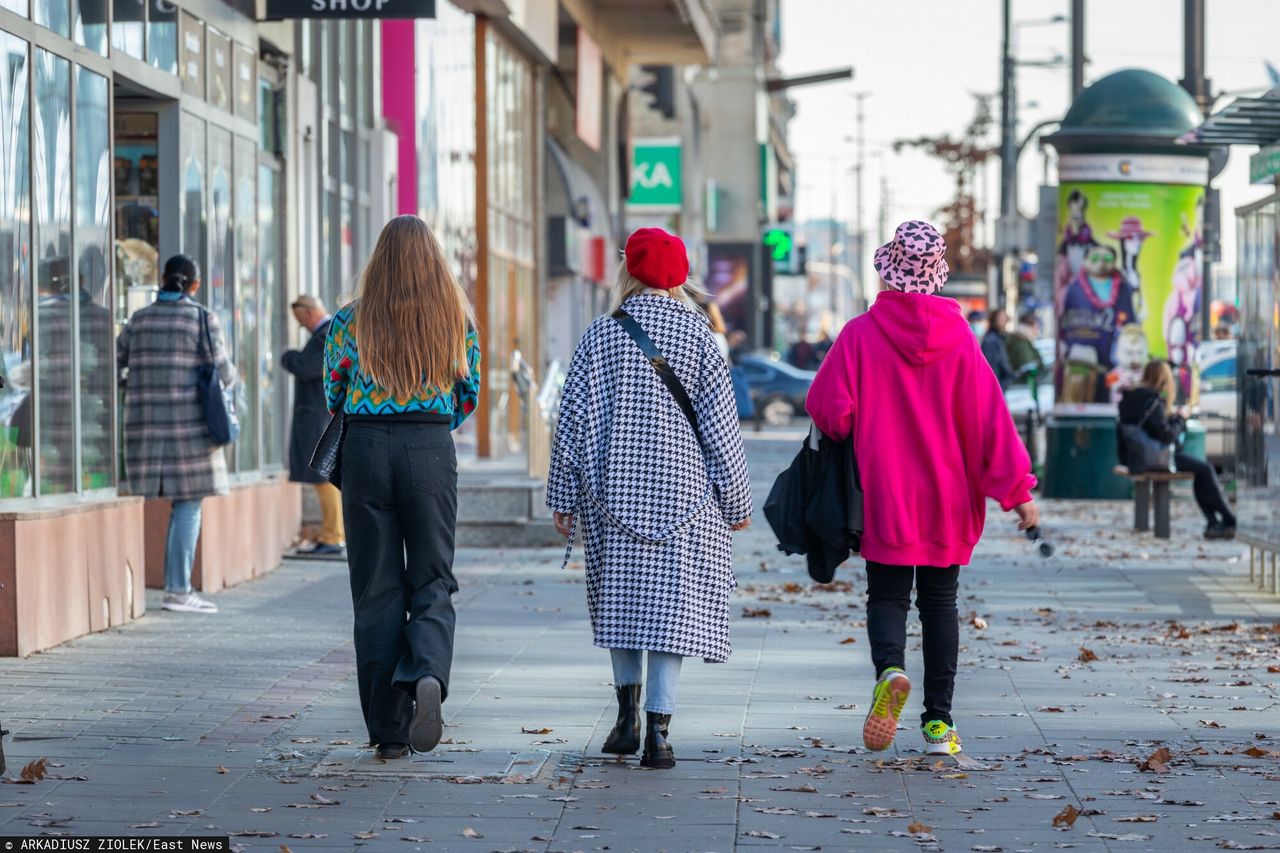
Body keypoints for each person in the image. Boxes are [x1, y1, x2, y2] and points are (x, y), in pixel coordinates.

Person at [805, 220, 1039, 758]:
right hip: (949, 500)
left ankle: (890, 670)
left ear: (888, 273)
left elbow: (829, 411)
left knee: (886, 594)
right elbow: (991, 424)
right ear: (937, 277)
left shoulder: (860, 335)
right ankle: (939, 724)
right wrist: (1018, 492)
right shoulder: (963, 341)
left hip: (884, 496)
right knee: (940, 603)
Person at [546, 227, 753, 770]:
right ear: (682, 276)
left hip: (613, 497)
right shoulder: (702, 337)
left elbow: (571, 425)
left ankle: (625, 719)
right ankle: (660, 733)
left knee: (622, 606)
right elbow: (721, 431)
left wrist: (562, 495)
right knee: (671, 615)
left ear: (628, 271)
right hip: (687, 499)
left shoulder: (600, 336)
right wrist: (735, 503)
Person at [324, 215, 482, 760]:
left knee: (376, 589)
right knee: (433, 577)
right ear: (435, 260)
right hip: (430, 449)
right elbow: (469, 393)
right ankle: (427, 672)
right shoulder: (454, 319)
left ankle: (388, 733)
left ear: (378, 261)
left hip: (365, 451)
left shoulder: (349, 321)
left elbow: (334, 391)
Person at [117, 255, 237, 614]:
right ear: (195, 285)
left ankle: (163, 588)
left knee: (150, 502)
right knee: (188, 504)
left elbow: (117, 364)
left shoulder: (139, 320)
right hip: (191, 430)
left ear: (163, 279)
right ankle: (178, 589)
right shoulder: (202, 318)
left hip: (144, 427)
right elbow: (225, 374)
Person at [1117, 360, 1236, 540]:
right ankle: (1229, 520)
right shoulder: (1153, 400)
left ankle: (1214, 522)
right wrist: (1180, 419)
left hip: (1132, 457)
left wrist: (1171, 418)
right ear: (1164, 379)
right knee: (1205, 470)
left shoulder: (1130, 396)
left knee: (1200, 471)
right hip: (1154, 457)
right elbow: (1166, 436)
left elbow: (1151, 428)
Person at [282, 295, 343, 555]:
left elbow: (308, 367)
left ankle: (333, 535)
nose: (301, 325)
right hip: (319, 413)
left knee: (323, 477)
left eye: (300, 319)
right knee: (321, 477)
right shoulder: (327, 333)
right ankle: (331, 533)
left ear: (309, 313)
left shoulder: (326, 334)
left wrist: (288, 357)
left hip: (319, 415)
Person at [981, 307, 1017, 390]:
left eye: (1005, 319)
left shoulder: (1002, 338)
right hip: (995, 385)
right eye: (1000, 319)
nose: (1003, 321)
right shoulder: (991, 339)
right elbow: (992, 366)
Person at [1006, 311, 1045, 377]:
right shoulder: (1021, 345)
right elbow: (1028, 370)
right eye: (1036, 327)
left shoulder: (1022, 341)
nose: (1037, 330)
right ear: (1030, 327)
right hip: (1021, 385)